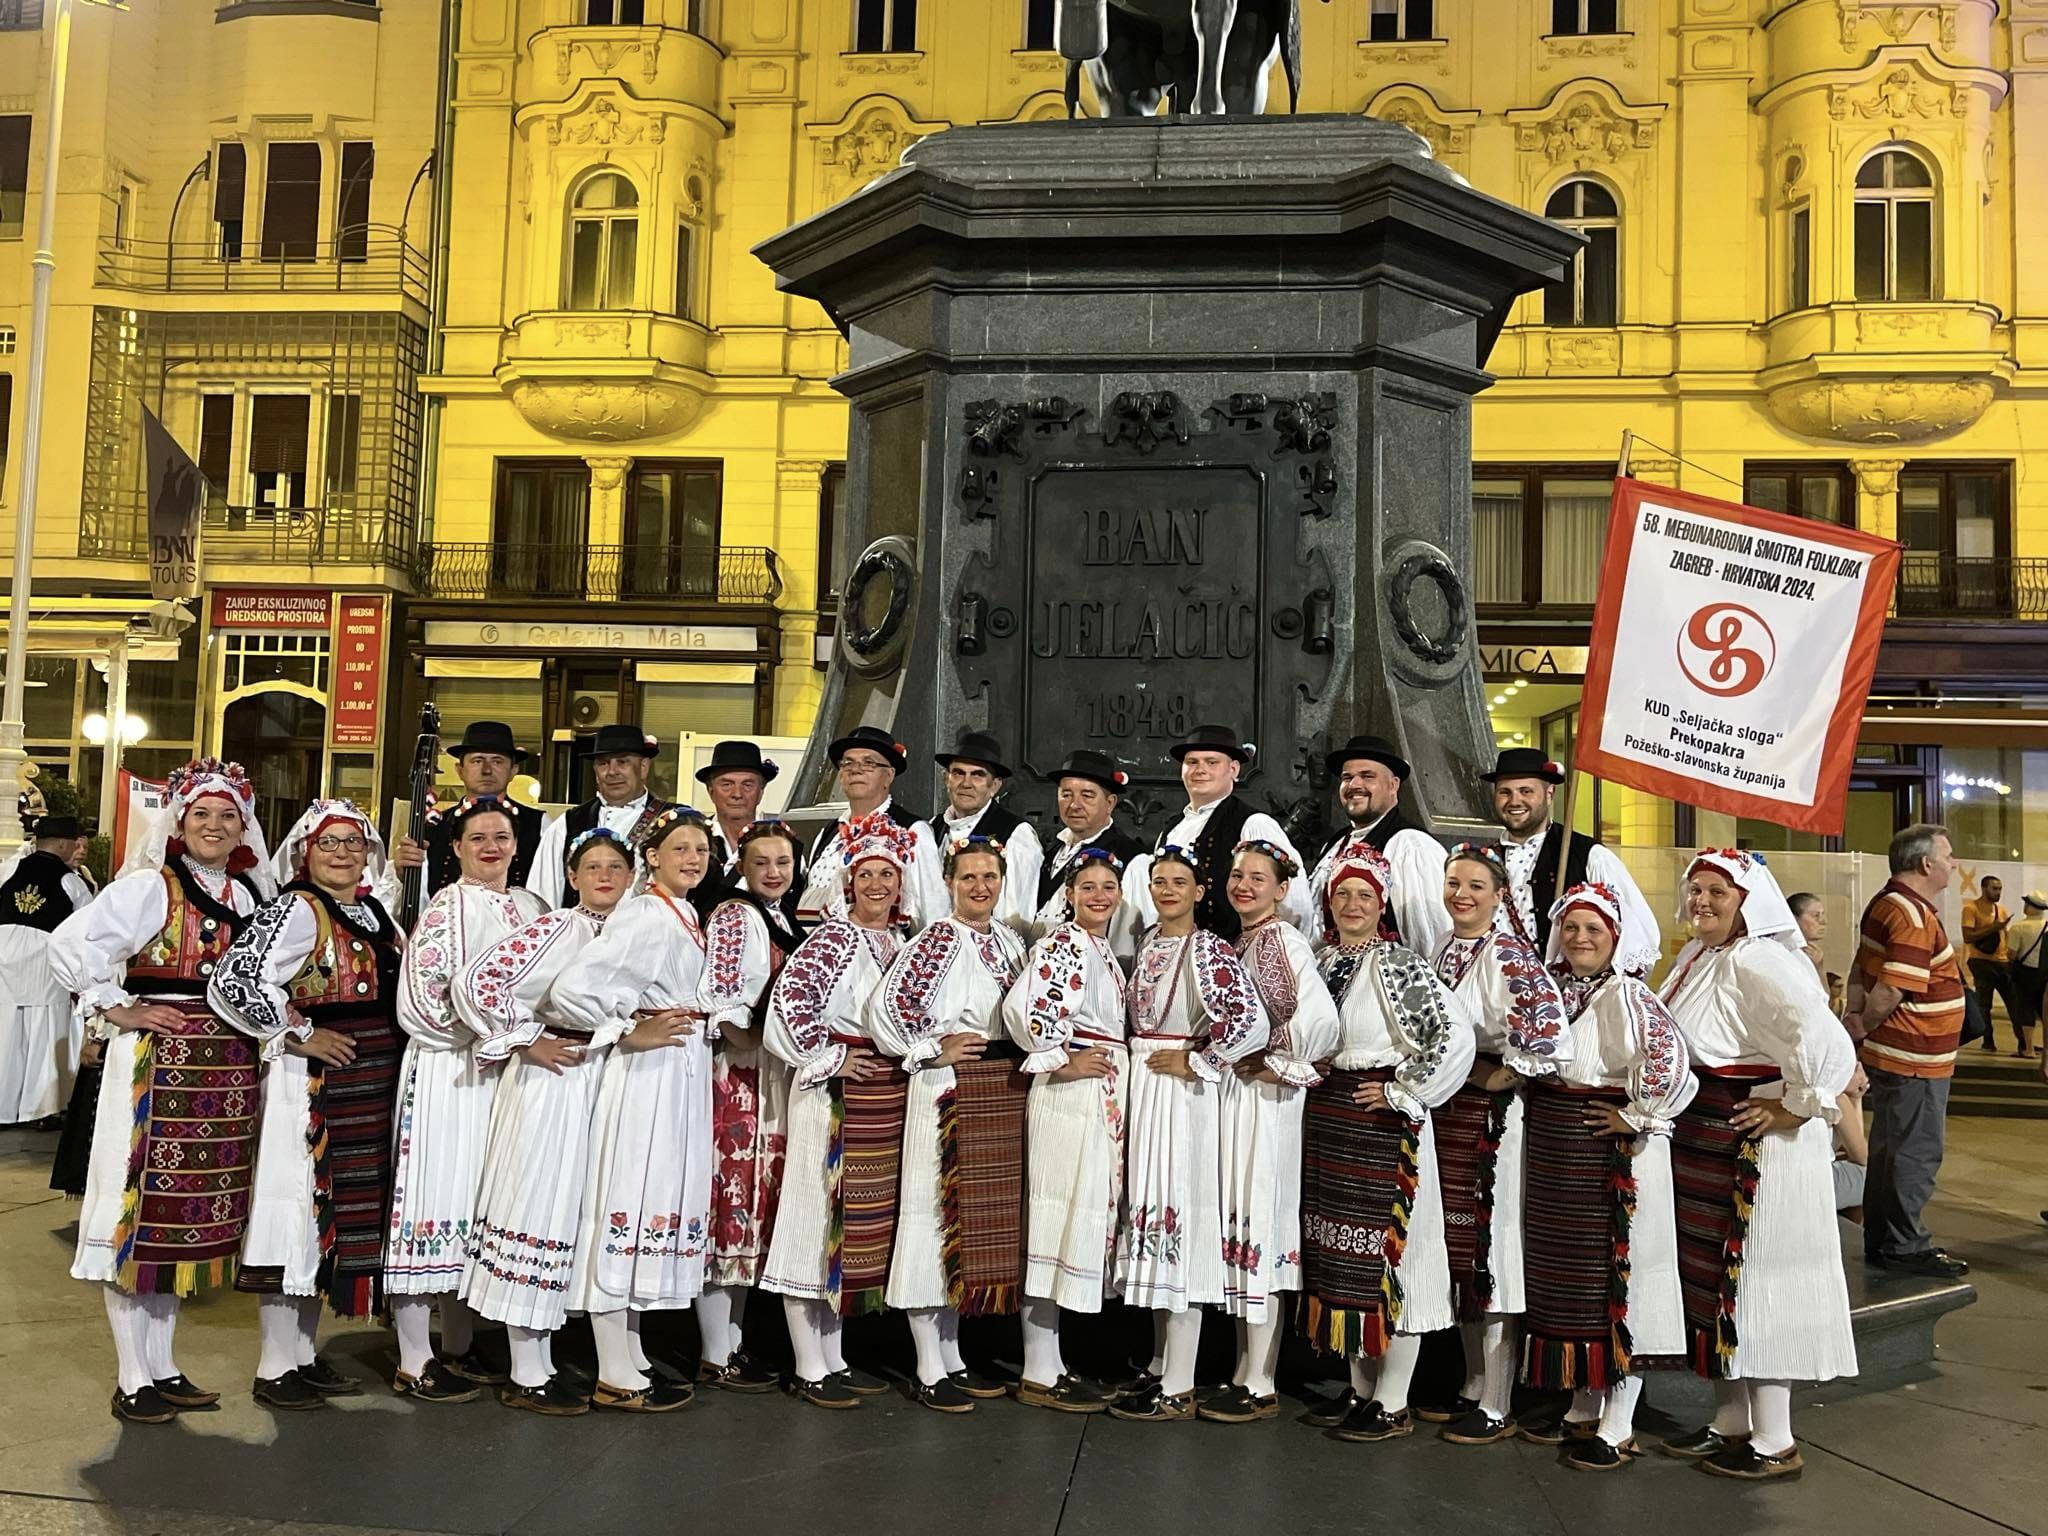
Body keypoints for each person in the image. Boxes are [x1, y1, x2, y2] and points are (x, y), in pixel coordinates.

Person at [49, 759, 275, 1425]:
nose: (214, 824)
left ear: (242, 828)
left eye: (227, 815)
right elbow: (71, 945)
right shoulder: (150, 886)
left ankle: (165, 1364)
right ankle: (131, 1374)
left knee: (186, 1224)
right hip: (156, 1067)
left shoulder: (248, 897)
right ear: (179, 821)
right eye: (202, 813)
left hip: (225, 1071)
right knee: (139, 1213)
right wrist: (117, 1007)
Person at [1657, 848, 1858, 1481]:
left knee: (1760, 1279)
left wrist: (1798, 1107)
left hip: (1758, 1144)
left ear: (1748, 899)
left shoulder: (1763, 959)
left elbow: (1823, 1039)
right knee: (1720, 1282)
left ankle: (1775, 1438)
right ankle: (1732, 1420)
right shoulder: (1699, 956)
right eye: (1696, 891)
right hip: (1709, 1135)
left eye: (1719, 891)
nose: (1703, 902)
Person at [208, 801, 402, 1410]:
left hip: (368, 1081)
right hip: (314, 1084)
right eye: (330, 844)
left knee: (332, 1220)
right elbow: (233, 978)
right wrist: (297, 1034)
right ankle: (274, 1365)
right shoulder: (294, 908)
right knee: (298, 1210)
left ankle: (303, 1354)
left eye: (354, 844)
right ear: (303, 853)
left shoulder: (372, 910)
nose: (343, 854)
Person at [452, 827, 636, 1415]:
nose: (605, 876)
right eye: (592, 867)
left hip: (600, 1077)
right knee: (536, 1204)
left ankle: (555, 1358)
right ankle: (527, 1371)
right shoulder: (561, 926)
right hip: (552, 1081)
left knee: (579, 1210)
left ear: (631, 876)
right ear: (572, 877)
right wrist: (525, 1040)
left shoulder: (631, 931)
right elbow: (476, 983)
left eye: (615, 866)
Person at [1297, 848, 1474, 1445]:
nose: (1352, 905)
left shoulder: (1400, 965)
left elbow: (1453, 1037)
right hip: (1330, 1117)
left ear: (1382, 906)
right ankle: (1361, 1387)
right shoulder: (1320, 962)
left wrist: (1404, 1089)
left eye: (1364, 897)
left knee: (1390, 1260)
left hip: (1381, 1120)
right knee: (1341, 1259)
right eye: (1343, 895)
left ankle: (1393, 1400)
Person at [1520, 882, 1695, 1471]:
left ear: (1615, 938)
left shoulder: (1629, 996)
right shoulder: (1555, 991)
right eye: (1571, 928)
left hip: (1611, 1151)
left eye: (1593, 929)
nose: (1580, 939)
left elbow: (1670, 1061)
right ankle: (1583, 1399)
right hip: (1559, 1147)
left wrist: (1638, 1113)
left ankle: (1619, 1422)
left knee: (1619, 1279)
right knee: (1574, 1279)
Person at [385, 796, 549, 1402]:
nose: (490, 846)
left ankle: (459, 1342)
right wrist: (498, 1032)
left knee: (483, 1201)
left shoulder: (532, 905)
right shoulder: (447, 905)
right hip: (449, 1073)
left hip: (508, 1071)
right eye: (476, 836)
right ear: (453, 849)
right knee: (437, 1194)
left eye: (501, 835)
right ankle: (412, 1355)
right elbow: (423, 1002)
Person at [552, 807, 716, 1411]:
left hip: (677, 1071)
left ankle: (631, 1351)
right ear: (652, 856)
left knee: (652, 1200)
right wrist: (624, 1033)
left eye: (700, 849)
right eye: (680, 849)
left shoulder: (681, 912)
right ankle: (614, 1368)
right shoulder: (646, 913)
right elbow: (576, 989)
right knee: (626, 1198)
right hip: (647, 1076)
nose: (692, 859)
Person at [865, 835, 1029, 1413]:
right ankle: (927, 1364)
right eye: (968, 878)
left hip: (996, 1088)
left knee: (970, 1224)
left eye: (989, 877)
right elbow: (887, 1008)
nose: (980, 887)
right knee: (934, 1216)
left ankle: (952, 1353)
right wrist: (932, 1048)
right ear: (951, 884)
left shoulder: (1008, 940)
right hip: (948, 1088)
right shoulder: (937, 939)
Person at [1108, 848, 1270, 1423]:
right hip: (1147, 1092)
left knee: (1180, 1221)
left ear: (1202, 891)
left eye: (1180, 882)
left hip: (1183, 1099)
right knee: (1152, 1220)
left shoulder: (1207, 948)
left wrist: (1200, 1062)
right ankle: (1159, 1365)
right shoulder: (1149, 942)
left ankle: (1180, 1383)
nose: (1168, 889)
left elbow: (1250, 1021)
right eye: (1159, 881)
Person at [760, 819, 911, 1409]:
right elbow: (788, 1007)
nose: (876, 884)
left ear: (901, 883)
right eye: (866, 874)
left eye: (886, 874)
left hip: (881, 1091)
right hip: (831, 1093)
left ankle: (835, 1354)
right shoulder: (831, 939)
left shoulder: (902, 942)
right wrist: (831, 1057)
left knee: (851, 1224)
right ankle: (807, 1363)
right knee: (815, 1212)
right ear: (849, 882)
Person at [1426, 843, 1566, 1446]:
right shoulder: (1443, 948)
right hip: (1451, 1110)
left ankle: (1499, 1397)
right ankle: (1473, 1382)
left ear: (1499, 894)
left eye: (1475, 886)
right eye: (1454, 883)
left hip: (1494, 1119)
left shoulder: (1509, 955)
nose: (1462, 894)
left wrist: (1494, 1076)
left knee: (1493, 1249)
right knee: (1461, 1250)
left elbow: (1547, 1039)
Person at [1209, 839, 1339, 1423]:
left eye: (1258, 878)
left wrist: (1274, 1060)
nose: (1244, 886)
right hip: (1245, 1096)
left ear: (1282, 889)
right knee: (1243, 1224)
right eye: (1237, 876)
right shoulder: (1245, 941)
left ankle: (1261, 1378)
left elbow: (1317, 1024)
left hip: (1268, 1100)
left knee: (1261, 1220)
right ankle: (1245, 1367)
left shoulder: (1281, 940)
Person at [1002, 846, 1131, 1413]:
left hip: (1092, 1093)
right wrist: (1059, 1056)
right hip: (1069, 1095)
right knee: (1054, 1213)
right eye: (1088, 887)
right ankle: (1037, 1365)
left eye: (1108, 887)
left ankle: (1051, 1361)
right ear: (1070, 895)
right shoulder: (1065, 943)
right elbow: (1023, 1009)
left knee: (1074, 1211)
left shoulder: (1100, 948)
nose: (1099, 895)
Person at [694, 820, 806, 1394]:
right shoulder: (737, 915)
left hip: (769, 1072)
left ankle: (732, 1345)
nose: (772, 872)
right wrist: (776, 1049)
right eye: (761, 862)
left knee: (753, 1204)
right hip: (741, 1078)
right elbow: (726, 1008)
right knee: (732, 1202)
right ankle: (717, 1350)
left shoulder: (781, 915)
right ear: (741, 864)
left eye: (782, 862)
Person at [1845, 824, 1971, 1280]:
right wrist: (1865, 1023)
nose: (1953, 863)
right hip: (1914, 1057)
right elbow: (1894, 985)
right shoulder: (1913, 916)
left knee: (1890, 1148)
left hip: (1900, 1053)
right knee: (1914, 1152)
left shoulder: (1886, 902)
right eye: (1949, 856)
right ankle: (1904, 1245)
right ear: (1925, 864)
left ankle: (1884, 1239)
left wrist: (1858, 1023)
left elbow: (1862, 966)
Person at [1481, 748, 1659, 976]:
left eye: (1526, 791)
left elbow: (1642, 936)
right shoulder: (1482, 860)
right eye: (1505, 792)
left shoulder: (1589, 856)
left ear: (1549, 794)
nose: (1515, 801)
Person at [1130, 724, 1309, 941]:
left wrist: (1260, 953)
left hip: (1233, 961)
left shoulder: (1253, 824)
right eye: (1192, 762)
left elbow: (1296, 905)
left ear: (1233, 770)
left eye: (1211, 762)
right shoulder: (1171, 829)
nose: (1200, 769)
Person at [1304, 735, 1449, 958]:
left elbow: (1430, 939)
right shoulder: (1336, 842)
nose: (1354, 785)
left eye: (1367, 776)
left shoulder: (1410, 847)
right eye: (1347, 777)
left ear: (1393, 785)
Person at [796, 725, 945, 928]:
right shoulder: (829, 833)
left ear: (889, 776)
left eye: (869, 763)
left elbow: (934, 910)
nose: (855, 769)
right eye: (848, 763)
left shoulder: (912, 831)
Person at [0, 814, 95, 1126]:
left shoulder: (10, 868)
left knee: (7, 1034)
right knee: (45, 1035)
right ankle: (40, 1109)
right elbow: (86, 931)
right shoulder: (71, 882)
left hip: (6, 958)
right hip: (45, 964)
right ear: (66, 844)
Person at [392, 721, 545, 897]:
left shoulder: (540, 825)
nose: (486, 770)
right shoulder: (432, 826)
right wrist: (403, 874)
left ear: (513, 770)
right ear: (460, 770)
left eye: (497, 761)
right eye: (477, 760)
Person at [530, 724, 672, 909]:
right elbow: (542, 898)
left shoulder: (673, 821)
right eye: (603, 763)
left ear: (643, 767)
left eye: (622, 762)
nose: (612, 772)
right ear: (596, 772)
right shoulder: (568, 824)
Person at [930, 731, 1044, 935]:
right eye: (958, 773)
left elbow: (1017, 918)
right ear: (946, 778)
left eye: (977, 775)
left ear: (995, 786)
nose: (966, 783)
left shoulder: (1016, 834)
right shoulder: (934, 827)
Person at [1029, 749, 1147, 942]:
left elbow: (1127, 943)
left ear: (1110, 803)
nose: (1074, 805)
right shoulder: (1054, 851)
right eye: (1066, 794)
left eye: (1087, 795)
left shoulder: (1132, 860)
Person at [696, 739, 783, 904]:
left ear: (761, 792)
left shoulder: (783, 843)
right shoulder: (694, 841)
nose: (737, 794)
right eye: (727, 784)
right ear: (710, 791)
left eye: (748, 785)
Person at [1962, 874, 2023, 1055]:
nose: (1998, 892)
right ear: (1983, 888)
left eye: (2000, 889)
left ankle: (2023, 1042)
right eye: (1994, 888)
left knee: (2014, 1003)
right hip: (1981, 961)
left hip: (2002, 962)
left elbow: (2005, 934)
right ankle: (1988, 1041)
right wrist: (1994, 928)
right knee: (1984, 1004)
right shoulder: (1971, 908)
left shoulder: (2001, 910)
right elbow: (1968, 936)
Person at [2007, 890, 2048, 1058]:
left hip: (2026, 973)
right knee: (2044, 1010)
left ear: (2031, 907)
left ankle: (2029, 1048)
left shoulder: (2018, 927)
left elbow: (2012, 954)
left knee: (2025, 1009)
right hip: (2045, 973)